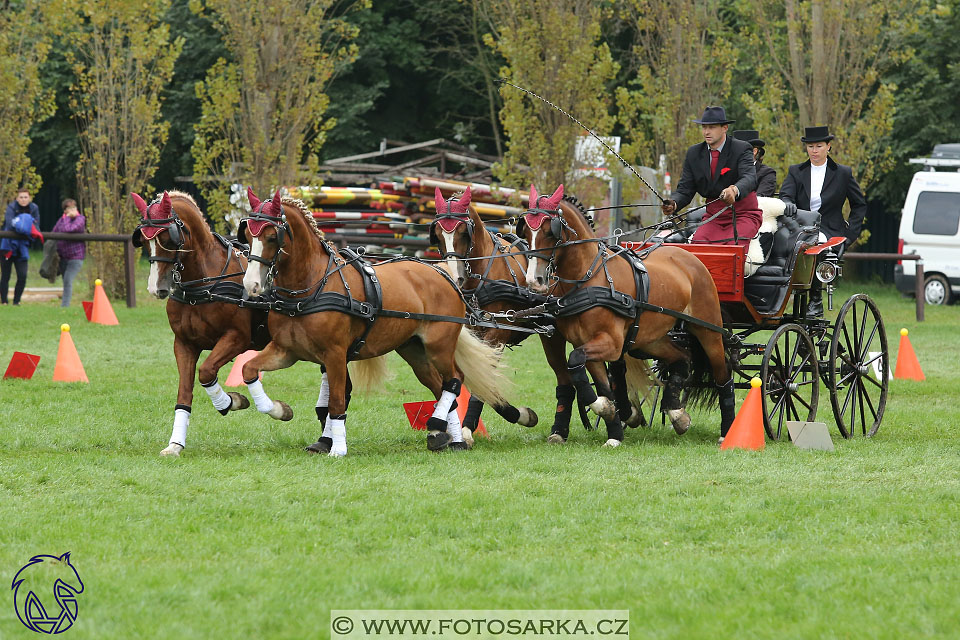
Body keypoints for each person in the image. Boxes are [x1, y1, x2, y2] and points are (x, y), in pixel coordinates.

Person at [779, 125, 867, 316]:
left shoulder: (843, 173)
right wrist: (787, 202)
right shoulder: (796, 171)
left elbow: (859, 204)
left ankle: (816, 299)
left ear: (828, 146)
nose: (814, 151)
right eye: (810, 147)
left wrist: (850, 235)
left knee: (817, 244)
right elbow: (785, 194)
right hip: (801, 227)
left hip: (830, 231)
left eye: (819, 146)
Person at [662, 106, 763, 248]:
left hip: (743, 215)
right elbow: (685, 189)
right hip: (713, 217)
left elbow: (750, 178)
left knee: (731, 251)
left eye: (712, 127)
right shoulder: (694, 153)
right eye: (704, 127)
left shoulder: (741, 148)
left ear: (725, 128)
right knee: (698, 248)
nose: (706, 132)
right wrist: (674, 203)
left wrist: (734, 190)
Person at [1, 188, 42, 305]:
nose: (23, 200)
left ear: (29, 198)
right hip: (8, 245)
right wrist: (25, 225)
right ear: (17, 198)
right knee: (5, 275)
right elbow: (9, 224)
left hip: (22, 247)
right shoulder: (11, 207)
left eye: (25, 197)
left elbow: (36, 225)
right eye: (21, 197)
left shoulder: (34, 208)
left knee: (22, 275)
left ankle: (16, 301)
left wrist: (26, 226)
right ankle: (4, 301)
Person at [52, 198, 86, 307]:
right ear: (64, 210)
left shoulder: (80, 219)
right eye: (69, 208)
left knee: (67, 280)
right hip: (63, 256)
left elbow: (69, 229)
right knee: (65, 281)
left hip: (76, 257)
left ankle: (64, 306)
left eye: (73, 208)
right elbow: (54, 232)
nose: (72, 210)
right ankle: (65, 304)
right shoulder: (61, 220)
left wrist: (67, 218)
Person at [733, 129, 777, 197]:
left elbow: (760, 198)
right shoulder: (726, 169)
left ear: (754, 151)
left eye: (739, 150)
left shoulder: (767, 173)